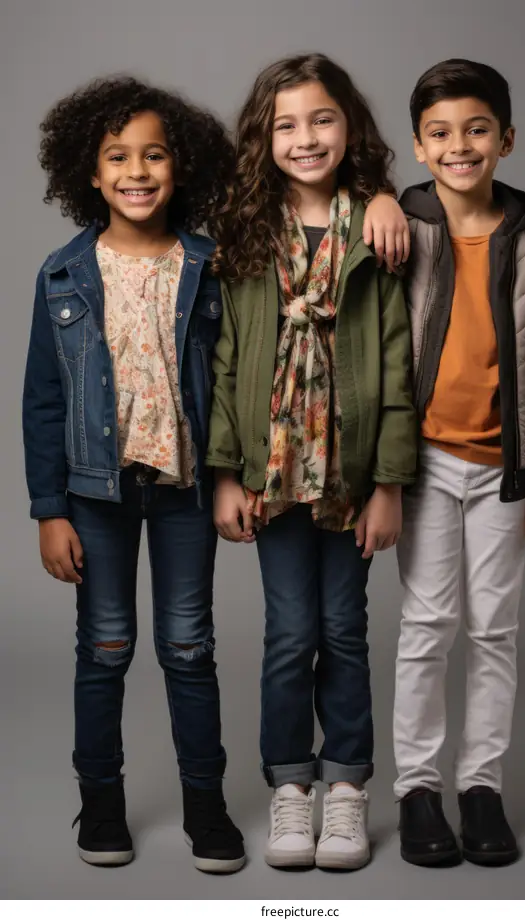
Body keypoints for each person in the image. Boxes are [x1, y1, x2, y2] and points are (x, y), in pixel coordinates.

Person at [21, 76, 246, 873]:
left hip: (184, 491)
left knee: (189, 648)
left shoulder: (209, 267)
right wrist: (50, 509)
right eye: (118, 156)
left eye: (154, 155)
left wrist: (230, 475)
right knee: (105, 648)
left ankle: (207, 807)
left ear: (179, 167)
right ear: (89, 170)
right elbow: (44, 402)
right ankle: (103, 804)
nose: (137, 170)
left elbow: (231, 383)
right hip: (95, 496)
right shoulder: (62, 274)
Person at [207, 53, 417, 871]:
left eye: (322, 119)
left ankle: (348, 791)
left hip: (355, 475)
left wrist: (390, 486)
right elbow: (227, 361)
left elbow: (397, 368)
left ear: (349, 127)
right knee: (292, 636)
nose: (306, 138)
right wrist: (228, 472)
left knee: (347, 632)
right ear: (264, 137)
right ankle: (291, 789)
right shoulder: (246, 231)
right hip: (276, 475)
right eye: (286, 124)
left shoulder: (377, 227)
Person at [394, 59, 525, 868]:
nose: (459, 146)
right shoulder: (401, 225)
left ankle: (481, 788)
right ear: (419, 145)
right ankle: (417, 791)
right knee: (427, 626)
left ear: (505, 139)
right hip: (425, 464)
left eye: (477, 130)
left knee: (494, 630)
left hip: (508, 467)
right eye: (440, 133)